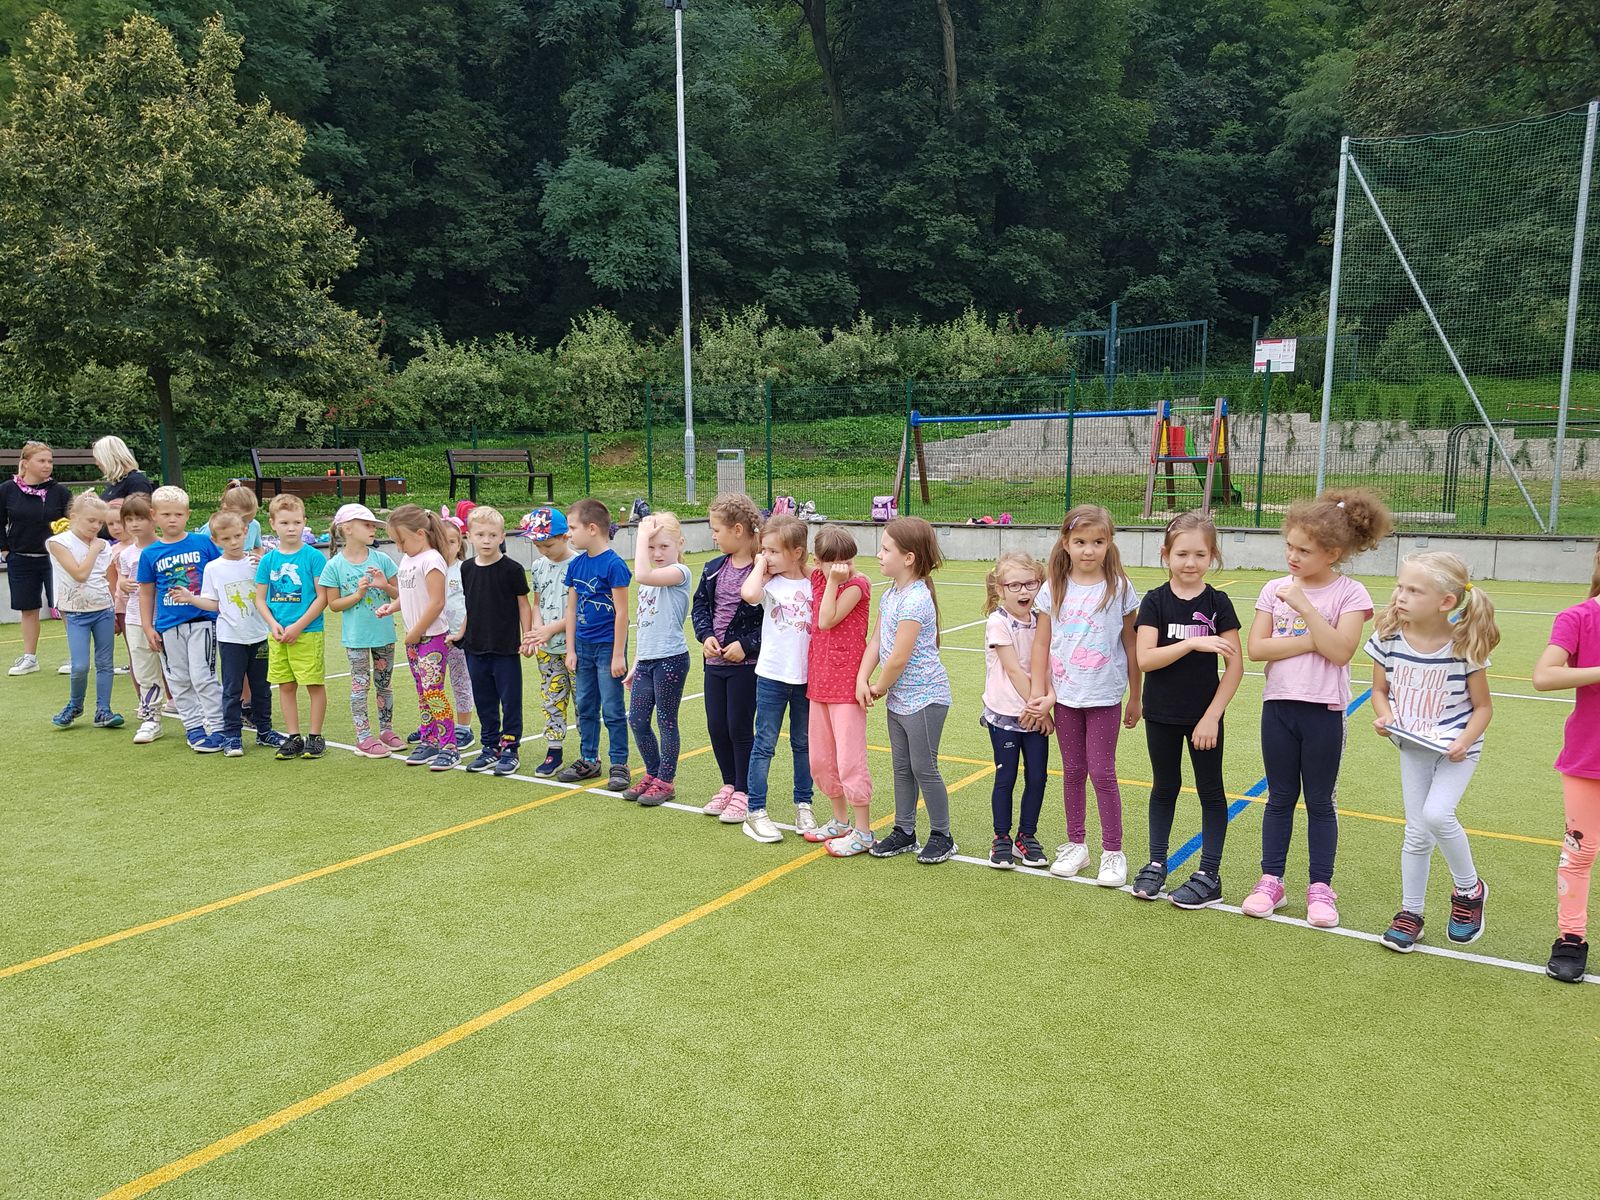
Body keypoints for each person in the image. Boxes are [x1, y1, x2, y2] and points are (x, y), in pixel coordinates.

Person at [1243, 488, 1392, 928]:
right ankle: (1271, 880)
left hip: (1324, 711)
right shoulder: (1273, 589)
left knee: (1320, 802)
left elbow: (1342, 652)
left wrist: (1306, 609)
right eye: (1289, 546)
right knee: (1279, 797)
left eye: (1304, 550)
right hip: (1278, 708)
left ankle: (1321, 888)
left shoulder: (1351, 593)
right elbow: (1257, 649)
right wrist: (1314, 640)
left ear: (1332, 553)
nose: (1292, 556)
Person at [1367, 552, 1498, 951]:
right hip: (1414, 747)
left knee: (1438, 815)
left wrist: (1463, 741)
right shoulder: (1388, 639)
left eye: (1413, 590)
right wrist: (1386, 717)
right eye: (1400, 587)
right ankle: (1411, 913)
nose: (1401, 596)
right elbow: (1379, 691)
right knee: (1417, 833)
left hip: (1458, 749)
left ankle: (1469, 890)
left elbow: (1483, 708)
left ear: (1446, 602)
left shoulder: (1465, 647)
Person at [1131, 513, 1242, 907]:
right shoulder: (1155, 601)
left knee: (1210, 791)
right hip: (1161, 714)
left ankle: (1209, 874)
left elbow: (1235, 667)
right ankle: (1156, 862)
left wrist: (1212, 716)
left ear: (1212, 556)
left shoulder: (1218, 603)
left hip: (1203, 719)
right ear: (1166, 555)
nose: (1190, 562)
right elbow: (1145, 659)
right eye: (1181, 554)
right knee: (1165, 787)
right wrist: (1193, 643)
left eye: (1200, 554)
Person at [1031, 504, 1141, 888]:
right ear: (1066, 543)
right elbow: (1041, 643)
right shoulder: (1053, 588)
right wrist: (1039, 694)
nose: (1089, 550)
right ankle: (1076, 845)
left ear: (1109, 543)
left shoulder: (1119, 588)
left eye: (1098, 542)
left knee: (1103, 773)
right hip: (1064, 697)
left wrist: (1136, 695)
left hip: (1104, 696)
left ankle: (1113, 852)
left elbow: (1132, 643)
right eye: (1080, 542)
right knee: (1073, 772)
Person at [858, 516, 956, 865]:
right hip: (901, 699)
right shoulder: (891, 595)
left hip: (924, 698)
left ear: (909, 558)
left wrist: (878, 686)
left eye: (886, 549)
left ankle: (942, 835)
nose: (879, 554)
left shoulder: (916, 599)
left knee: (923, 767)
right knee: (902, 767)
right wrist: (862, 678)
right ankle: (905, 830)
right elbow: (876, 641)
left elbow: (899, 657)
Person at [1532, 544, 1600, 983]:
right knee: (1580, 851)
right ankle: (1571, 939)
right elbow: (1544, 676)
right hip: (1588, 756)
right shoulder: (1578, 618)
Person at [738, 514, 814, 843]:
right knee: (764, 744)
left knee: (803, 744)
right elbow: (748, 593)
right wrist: (760, 564)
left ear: (796, 552)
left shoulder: (812, 583)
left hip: (806, 679)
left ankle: (804, 805)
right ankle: (755, 810)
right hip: (771, 676)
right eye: (763, 550)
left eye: (773, 551)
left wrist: (807, 569)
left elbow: (830, 576)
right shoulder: (768, 583)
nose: (766, 556)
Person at [802, 526, 875, 857]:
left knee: (849, 759)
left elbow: (826, 619)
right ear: (818, 561)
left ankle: (863, 831)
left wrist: (833, 580)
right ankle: (840, 820)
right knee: (821, 759)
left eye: (848, 559)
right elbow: (794, 564)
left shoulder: (857, 585)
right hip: (819, 682)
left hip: (846, 686)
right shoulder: (819, 576)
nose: (843, 566)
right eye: (833, 562)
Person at [180, 510, 275, 756]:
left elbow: (269, 593)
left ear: (246, 532)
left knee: (262, 687)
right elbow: (213, 603)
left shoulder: (258, 563)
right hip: (230, 639)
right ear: (215, 540)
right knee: (232, 689)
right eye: (226, 539)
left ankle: (265, 731)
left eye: (237, 536)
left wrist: (266, 570)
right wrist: (191, 598)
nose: (233, 542)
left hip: (259, 635)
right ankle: (232, 735)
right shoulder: (213, 568)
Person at [693, 493, 764, 820]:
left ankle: (744, 791)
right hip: (714, 665)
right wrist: (706, 636)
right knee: (717, 726)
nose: (713, 536)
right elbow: (700, 607)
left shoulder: (763, 571)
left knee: (739, 727)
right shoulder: (713, 568)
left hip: (745, 667)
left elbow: (773, 620)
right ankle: (729, 784)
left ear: (738, 530)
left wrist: (746, 645)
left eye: (716, 530)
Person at [137, 485, 223, 751]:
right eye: (165, 514)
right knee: (179, 679)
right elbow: (146, 593)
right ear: (154, 515)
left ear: (187, 514)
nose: (172, 520)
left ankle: (218, 727)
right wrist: (147, 627)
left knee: (203, 676)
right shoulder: (149, 554)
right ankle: (193, 727)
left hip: (202, 621)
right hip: (168, 627)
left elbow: (221, 571)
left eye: (178, 514)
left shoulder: (202, 543)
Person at [980, 552, 1052, 870]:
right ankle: (1001, 838)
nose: (1024, 591)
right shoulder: (998, 622)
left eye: (1030, 584)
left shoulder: (1041, 621)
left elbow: (1048, 667)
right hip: (1007, 714)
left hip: (1035, 712)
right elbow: (1013, 670)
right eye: (1015, 585)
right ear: (1000, 589)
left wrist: (1046, 703)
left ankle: (1027, 836)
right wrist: (1038, 709)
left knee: (1037, 776)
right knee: (1006, 776)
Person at [555, 498, 632, 791]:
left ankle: (619, 763)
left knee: (612, 708)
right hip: (583, 647)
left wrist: (617, 655)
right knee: (585, 705)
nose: (568, 534)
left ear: (592, 528)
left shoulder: (614, 565)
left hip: (607, 648)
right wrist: (571, 649)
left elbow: (622, 613)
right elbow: (571, 609)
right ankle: (589, 758)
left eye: (572, 527)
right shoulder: (576, 565)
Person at [376, 505, 458, 771]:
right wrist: (392, 607)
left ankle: (449, 746)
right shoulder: (408, 560)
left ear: (420, 534)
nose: (399, 547)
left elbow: (436, 602)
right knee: (422, 692)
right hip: (414, 639)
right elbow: (408, 594)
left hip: (431, 638)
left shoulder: (432, 560)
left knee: (434, 691)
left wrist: (416, 632)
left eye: (402, 540)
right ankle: (429, 739)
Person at [318, 502, 401, 758]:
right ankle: (363, 737)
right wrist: (358, 595)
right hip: (356, 639)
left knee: (385, 685)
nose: (373, 530)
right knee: (360, 686)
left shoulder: (382, 559)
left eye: (374, 526)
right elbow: (333, 605)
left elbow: (401, 595)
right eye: (367, 525)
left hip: (384, 635)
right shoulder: (334, 566)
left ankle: (386, 731)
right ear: (347, 528)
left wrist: (384, 586)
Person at [457, 506, 534, 777]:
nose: (486, 540)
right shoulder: (466, 568)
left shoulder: (512, 569)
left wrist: (527, 637)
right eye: (480, 535)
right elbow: (470, 605)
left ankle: (510, 748)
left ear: (502, 536)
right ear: (469, 537)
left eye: (492, 535)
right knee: (484, 700)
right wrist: (461, 633)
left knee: (510, 700)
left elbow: (523, 605)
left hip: (505, 649)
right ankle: (490, 746)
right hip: (475, 648)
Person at [623, 512, 693, 806]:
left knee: (666, 720)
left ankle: (666, 780)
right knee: (637, 720)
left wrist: (641, 536)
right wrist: (636, 662)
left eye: (664, 546)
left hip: (671, 659)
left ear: (680, 544)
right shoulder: (648, 582)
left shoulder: (679, 573)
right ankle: (652, 773)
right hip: (648, 661)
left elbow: (642, 574)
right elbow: (644, 625)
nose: (656, 553)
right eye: (651, 547)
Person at [252, 494, 328, 761]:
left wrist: (298, 626)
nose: (291, 528)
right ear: (273, 524)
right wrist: (273, 624)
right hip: (278, 636)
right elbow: (260, 599)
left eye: (297, 522)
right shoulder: (267, 560)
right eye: (284, 523)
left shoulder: (314, 557)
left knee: (313, 684)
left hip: (308, 633)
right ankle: (294, 737)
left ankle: (315, 737)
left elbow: (322, 597)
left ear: (304, 522)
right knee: (285, 685)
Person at [45, 493, 121, 729]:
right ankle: (75, 705)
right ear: (73, 516)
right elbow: (80, 574)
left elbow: (107, 578)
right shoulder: (58, 543)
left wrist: (115, 607)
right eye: (91, 520)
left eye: (100, 522)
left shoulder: (104, 547)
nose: (96, 526)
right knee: (79, 665)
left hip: (103, 609)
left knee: (105, 663)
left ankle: (103, 710)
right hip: (76, 613)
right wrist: (94, 549)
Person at [2, 442, 73, 676]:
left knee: (64, 606)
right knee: (28, 608)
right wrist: (5, 550)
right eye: (41, 461)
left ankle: (76, 656)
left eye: (50, 461)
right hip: (20, 558)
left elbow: (74, 522)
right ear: (25, 463)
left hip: (56, 560)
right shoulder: (7, 490)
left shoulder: (59, 492)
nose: (47, 465)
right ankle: (30, 658)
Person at [109, 495, 170, 744]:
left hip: (169, 617)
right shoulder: (125, 554)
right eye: (129, 519)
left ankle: (197, 717)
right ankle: (151, 717)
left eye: (140, 518)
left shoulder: (166, 548)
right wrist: (123, 584)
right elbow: (123, 581)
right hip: (135, 618)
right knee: (145, 670)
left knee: (181, 669)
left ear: (153, 518)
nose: (134, 524)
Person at [526, 508, 575, 777]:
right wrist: (536, 630)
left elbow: (579, 612)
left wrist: (550, 629)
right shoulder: (538, 567)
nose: (544, 551)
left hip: (574, 647)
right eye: (538, 546)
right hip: (547, 649)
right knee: (551, 698)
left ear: (565, 536)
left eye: (548, 545)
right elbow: (537, 603)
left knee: (583, 699)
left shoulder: (578, 564)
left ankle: (589, 751)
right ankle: (554, 750)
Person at [437, 517, 476, 750]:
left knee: (461, 681)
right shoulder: (430, 568)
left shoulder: (464, 569)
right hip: (434, 635)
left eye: (452, 542)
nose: (447, 547)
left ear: (459, 544)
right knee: (432, 684)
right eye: (442, 542)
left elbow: (472, 602)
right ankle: (433, 724)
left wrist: (464, 631)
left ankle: (463, 728)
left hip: (459, 637)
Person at [93, 436, 154, 505]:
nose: (97, 463)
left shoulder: (137, 483)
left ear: (109, 459)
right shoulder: (118, 481)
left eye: (99, 459)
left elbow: (140, 510)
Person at [217, 486, 263, 552]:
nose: (246, 527)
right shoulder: (213, 529)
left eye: (250, 521)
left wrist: (257, 556)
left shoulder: (254, 525)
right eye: (243, 521)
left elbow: (258, 548)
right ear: (225, 511)